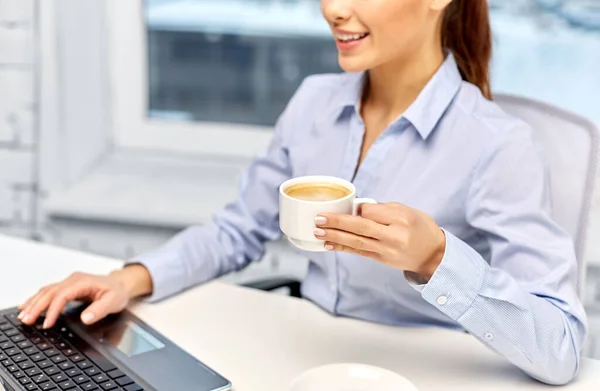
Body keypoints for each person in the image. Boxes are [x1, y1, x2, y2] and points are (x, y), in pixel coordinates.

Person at [17, 0, 586, 385]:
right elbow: (239, 228)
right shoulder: (315, 102)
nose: (334, 10)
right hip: (304, 364)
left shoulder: (497, 146)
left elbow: (560, 347)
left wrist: (437, 259)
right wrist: (127, 278)